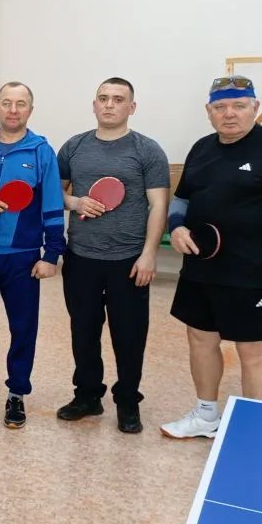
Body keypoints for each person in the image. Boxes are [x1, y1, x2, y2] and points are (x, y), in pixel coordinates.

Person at [161, 75, 262, 439]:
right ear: (209, 111)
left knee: (253, 354)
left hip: (253, 276)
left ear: (254, 107)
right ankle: (205, 416)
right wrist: (176, 227)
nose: (229, 114)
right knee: (200, 340)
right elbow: (181, 199)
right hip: (200, 270)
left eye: (239, 106)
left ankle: (259, 431)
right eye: (221, 107)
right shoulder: (201, 148)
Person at [56, 78, 169, 434]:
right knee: (83, 331)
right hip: (81, 257)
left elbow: (159, 205)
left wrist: (149, 254)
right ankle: (88, 395)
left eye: (118, 99)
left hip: (128, 260)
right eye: (103, 98)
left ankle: (128, 401)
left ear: (131, 107)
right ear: (94, 105)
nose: (109, 104)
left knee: (129, 335)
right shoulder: (74, 147)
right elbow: (56, 194)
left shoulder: (147, 150)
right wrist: (75, 202)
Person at [0, 82, 65, 429]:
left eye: (20, 104)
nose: (13, 109)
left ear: (30, 110)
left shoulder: (41, 152)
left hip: (22, 257)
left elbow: (52, 204)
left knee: (23, 327)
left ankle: (17, 393)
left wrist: (52, 253)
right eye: (6, 102)